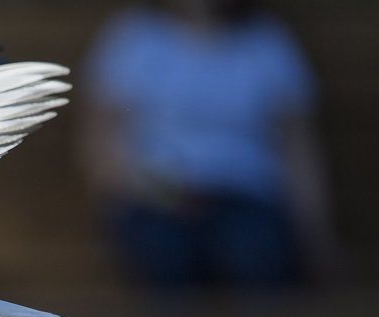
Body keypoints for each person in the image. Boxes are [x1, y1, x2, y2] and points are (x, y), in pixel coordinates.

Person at [79, 0, 340, 292]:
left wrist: (317, 234)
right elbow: (104, 142)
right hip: (157, 199)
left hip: (247, 199)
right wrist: (161, 196)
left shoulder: (265, 39)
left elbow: (296, 145)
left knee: (255, 258)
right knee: (165, 258)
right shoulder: (135, 36)